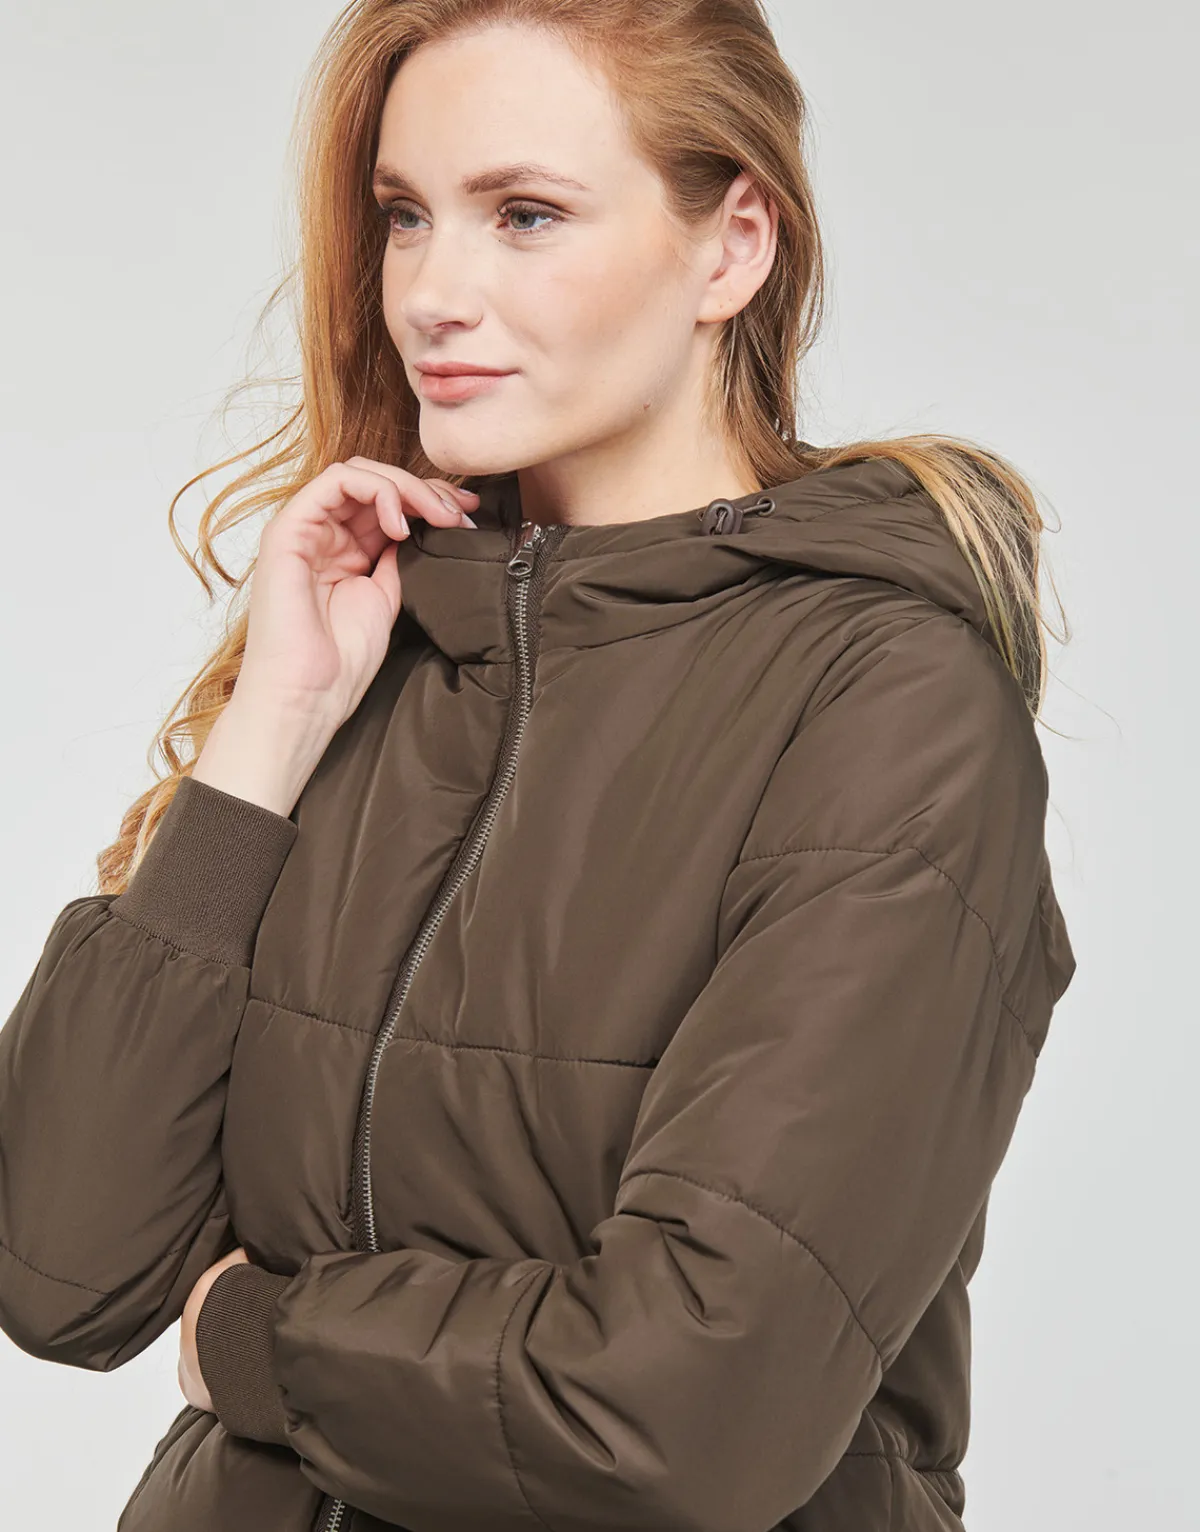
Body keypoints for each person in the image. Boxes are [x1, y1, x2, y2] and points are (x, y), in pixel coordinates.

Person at [0, 3, 1078, 1530]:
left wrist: (255, 1337)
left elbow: (687, 1408)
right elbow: (62, 1268)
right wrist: (271, 729)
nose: (433, 293)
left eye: (524, 215)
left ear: (734, 246)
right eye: (405, 216)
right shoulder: (370, 656)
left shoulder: (887, 707)